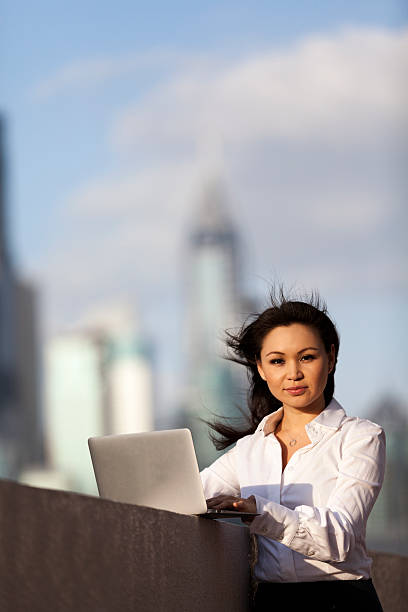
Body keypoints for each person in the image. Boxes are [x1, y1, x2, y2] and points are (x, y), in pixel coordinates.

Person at [200, 290, 385, 611]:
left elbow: (340, 537)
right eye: (277, 361)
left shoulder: (361, 437)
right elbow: (189, 496)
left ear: (331, 358)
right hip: (273, 603)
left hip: (342, 601)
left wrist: (258, 511)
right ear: (260, 368)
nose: (293, 373)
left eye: (307, 357)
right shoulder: (248, 450)